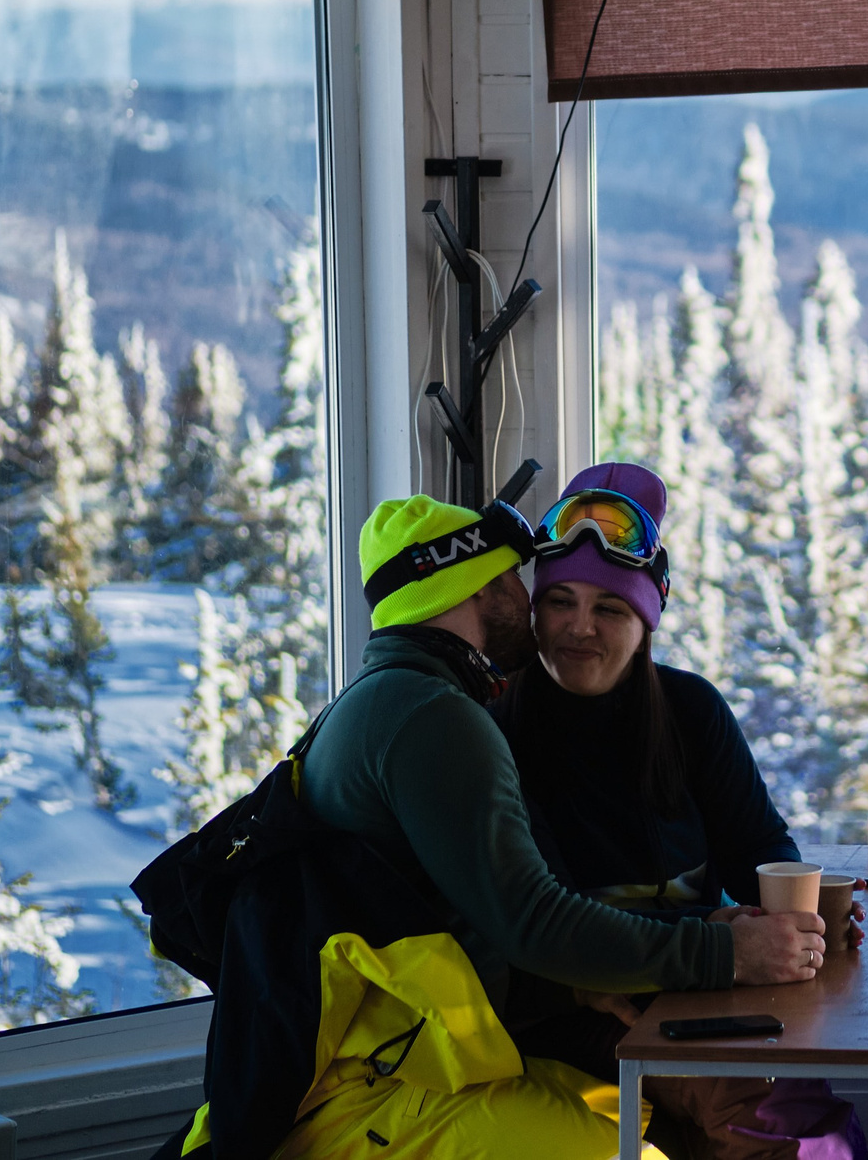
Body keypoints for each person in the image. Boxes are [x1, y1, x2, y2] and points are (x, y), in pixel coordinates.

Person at [261, 492, 826, 1160]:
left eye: (610, 607)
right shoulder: (445, 722)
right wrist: (717, 948)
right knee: (761, 1114)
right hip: (395, 1079)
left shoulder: (394, 701)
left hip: (413, 1047)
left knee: (769, 1103)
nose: (537, 605)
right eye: (522, 583)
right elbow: (534, 923)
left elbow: (491, 929)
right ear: (474, 585)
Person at [496, 462, 868, 1160]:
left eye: (608, 608)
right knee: (775, 1115)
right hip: (574, 1007)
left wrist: (811, 913)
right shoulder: (495, 732)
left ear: (647, 619)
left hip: (699, 989)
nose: (579, 627)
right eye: (560, 602)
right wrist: (717, 930)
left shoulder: (691, 711)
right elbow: (541, 929)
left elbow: (760, 851)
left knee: (802, 1101)